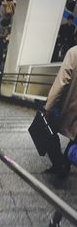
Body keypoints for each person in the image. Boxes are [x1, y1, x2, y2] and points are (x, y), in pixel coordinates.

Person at [44, 45, 77, 178]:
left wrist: (48, 106)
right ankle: (64, 163)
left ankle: (60, 163)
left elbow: (62, 81)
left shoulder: (74, 52)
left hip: (71, 107)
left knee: (48, 129)